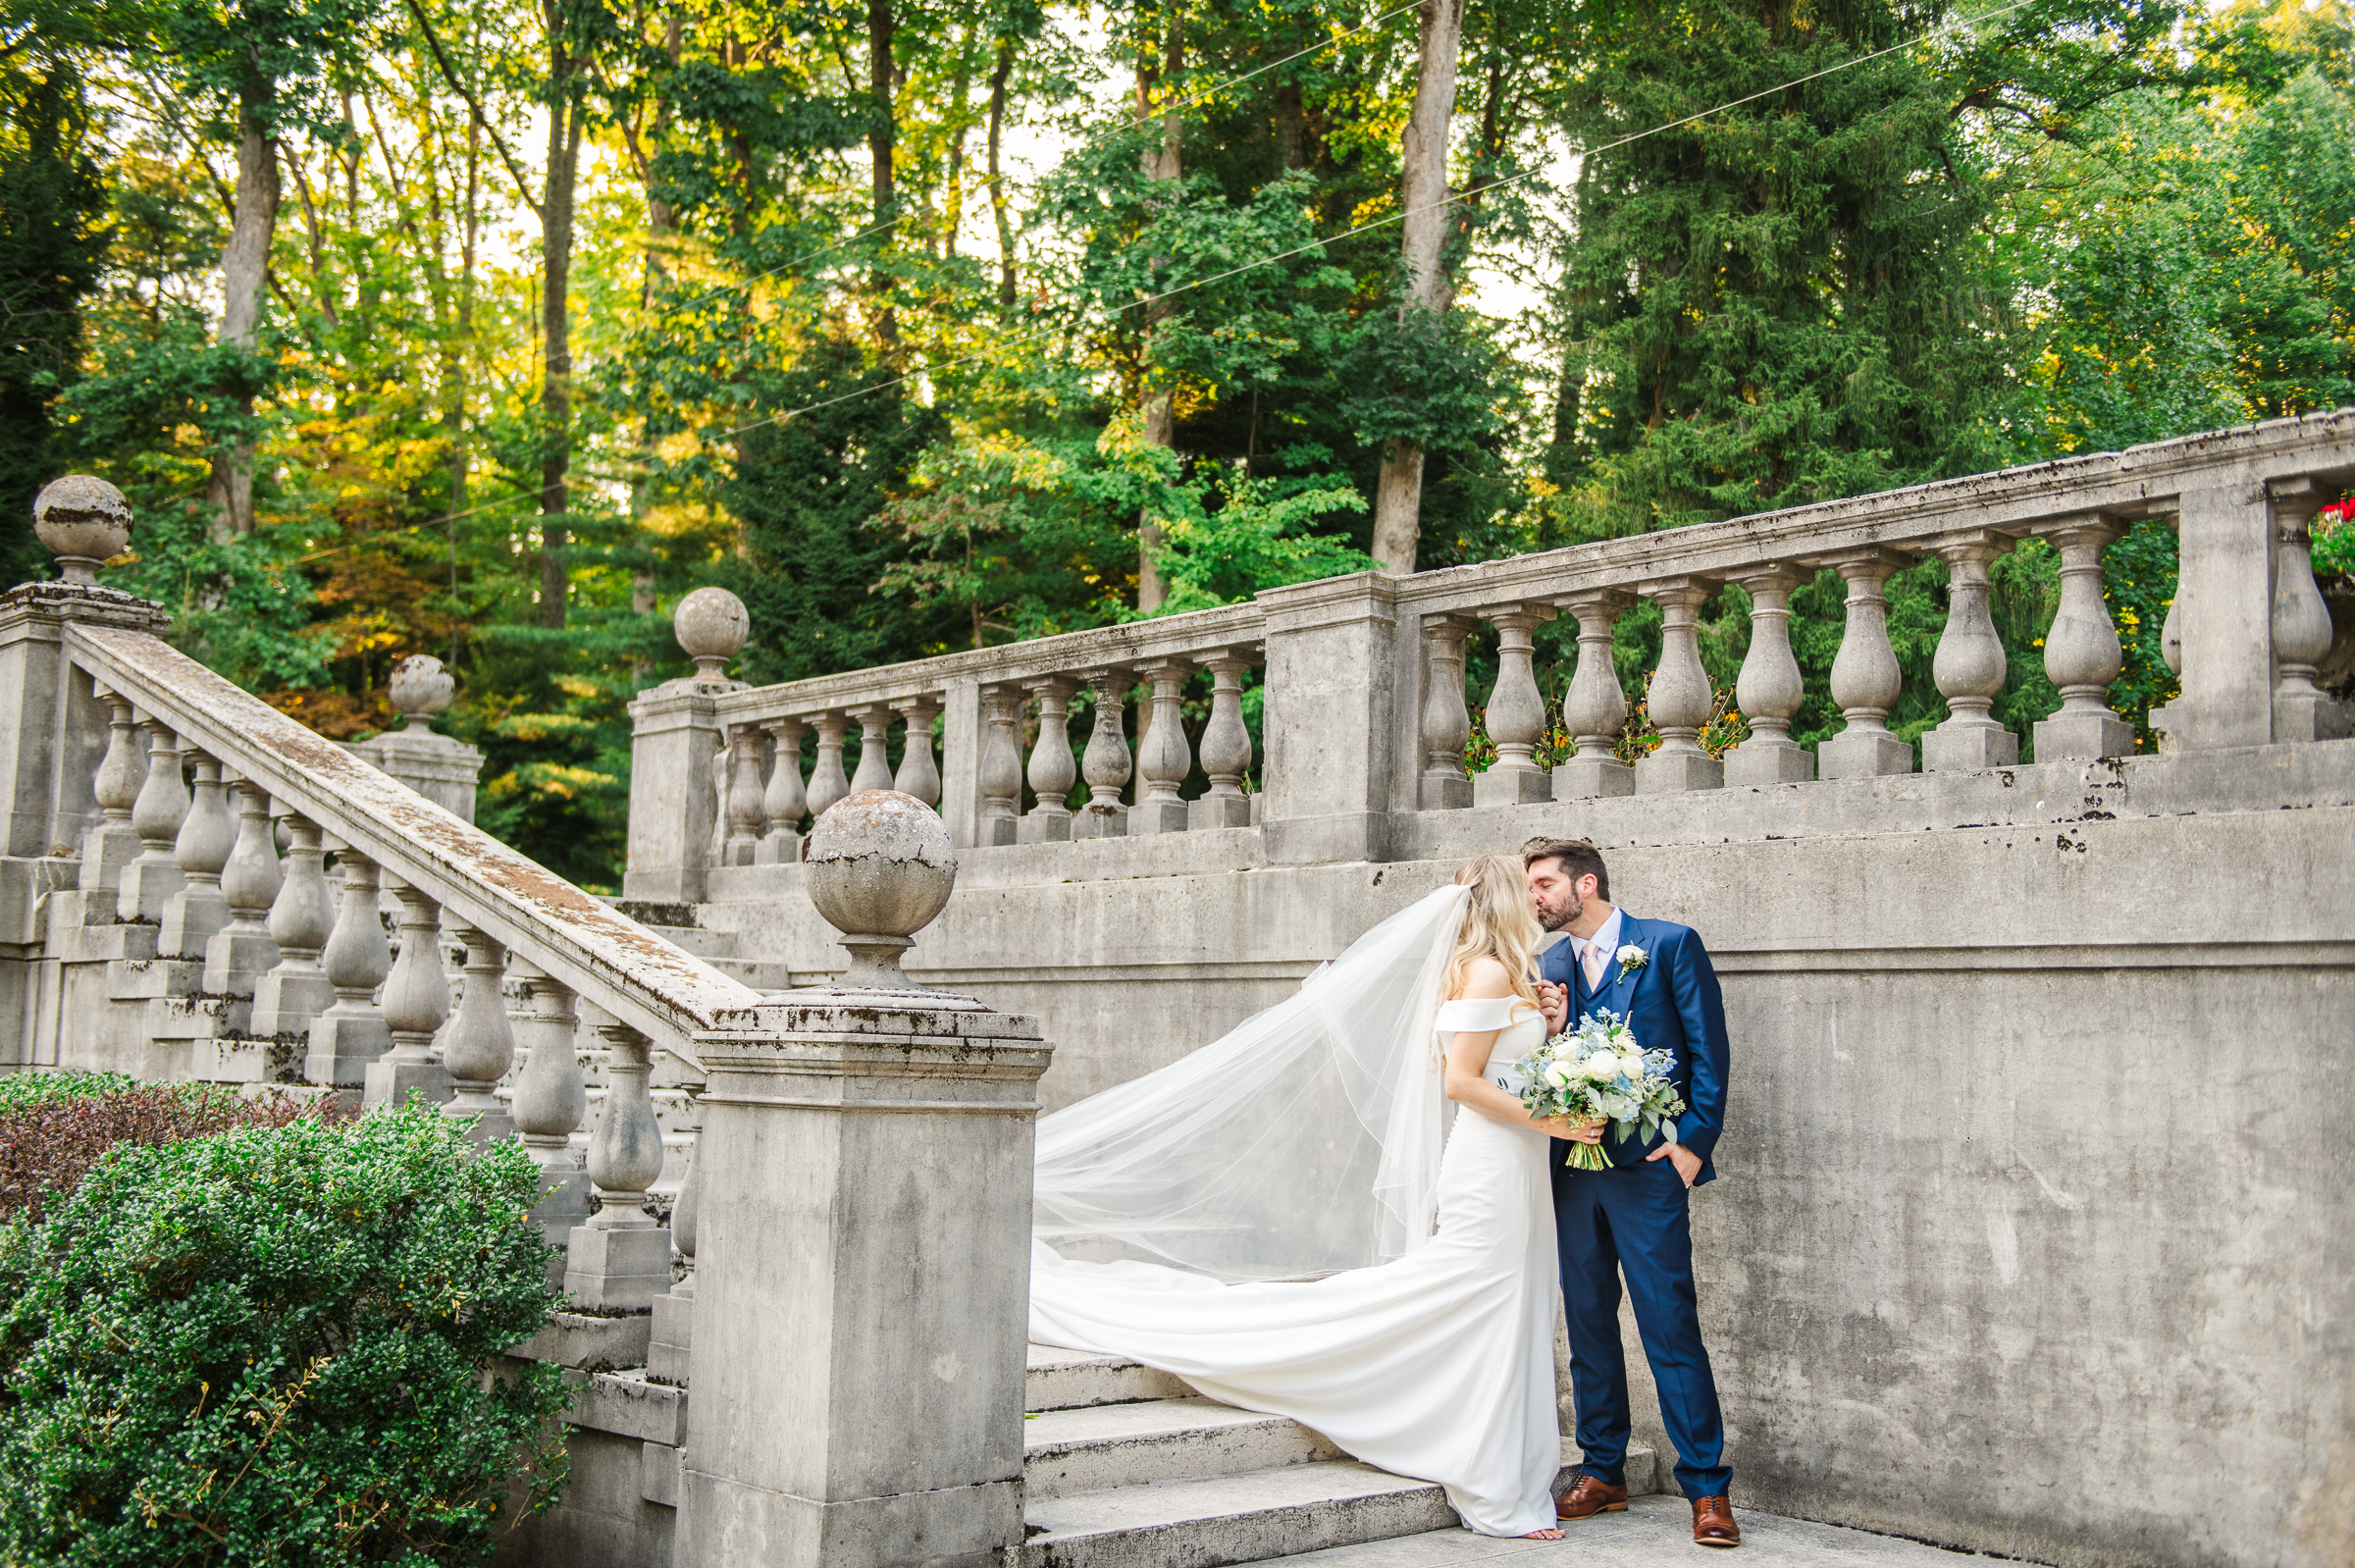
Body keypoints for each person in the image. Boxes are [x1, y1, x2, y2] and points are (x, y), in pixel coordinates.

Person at [1027, 854, 1592, 1539]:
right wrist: (1557, 1122)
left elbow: (1500, 1063)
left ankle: (1507, 1467)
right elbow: (1462, 1084)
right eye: (1526, 889)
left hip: (1519, 1162)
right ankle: (1492, 1479)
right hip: (1494, 1164)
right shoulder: (1488, 970)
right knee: (1478, 1293)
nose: (1539, 900)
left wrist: (1549, 1033)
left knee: (1512, 1301)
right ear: (1503, 900)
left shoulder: (1508, 974)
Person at [1526, 839, 1739, 1548]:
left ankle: (1707, 1489)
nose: (1535, 897)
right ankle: (1603, 1468)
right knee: (1587, 1324)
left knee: (1669, 1325)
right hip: (1570, 1175)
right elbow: (1539, 1068)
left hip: (1648, 1171)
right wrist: (1552, 1029)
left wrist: (1692, 1145)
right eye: (1531, 886)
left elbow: (1709, 1050)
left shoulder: (1669, 945)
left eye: (1545, 884)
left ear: (1586, 884)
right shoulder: (1549, 965)